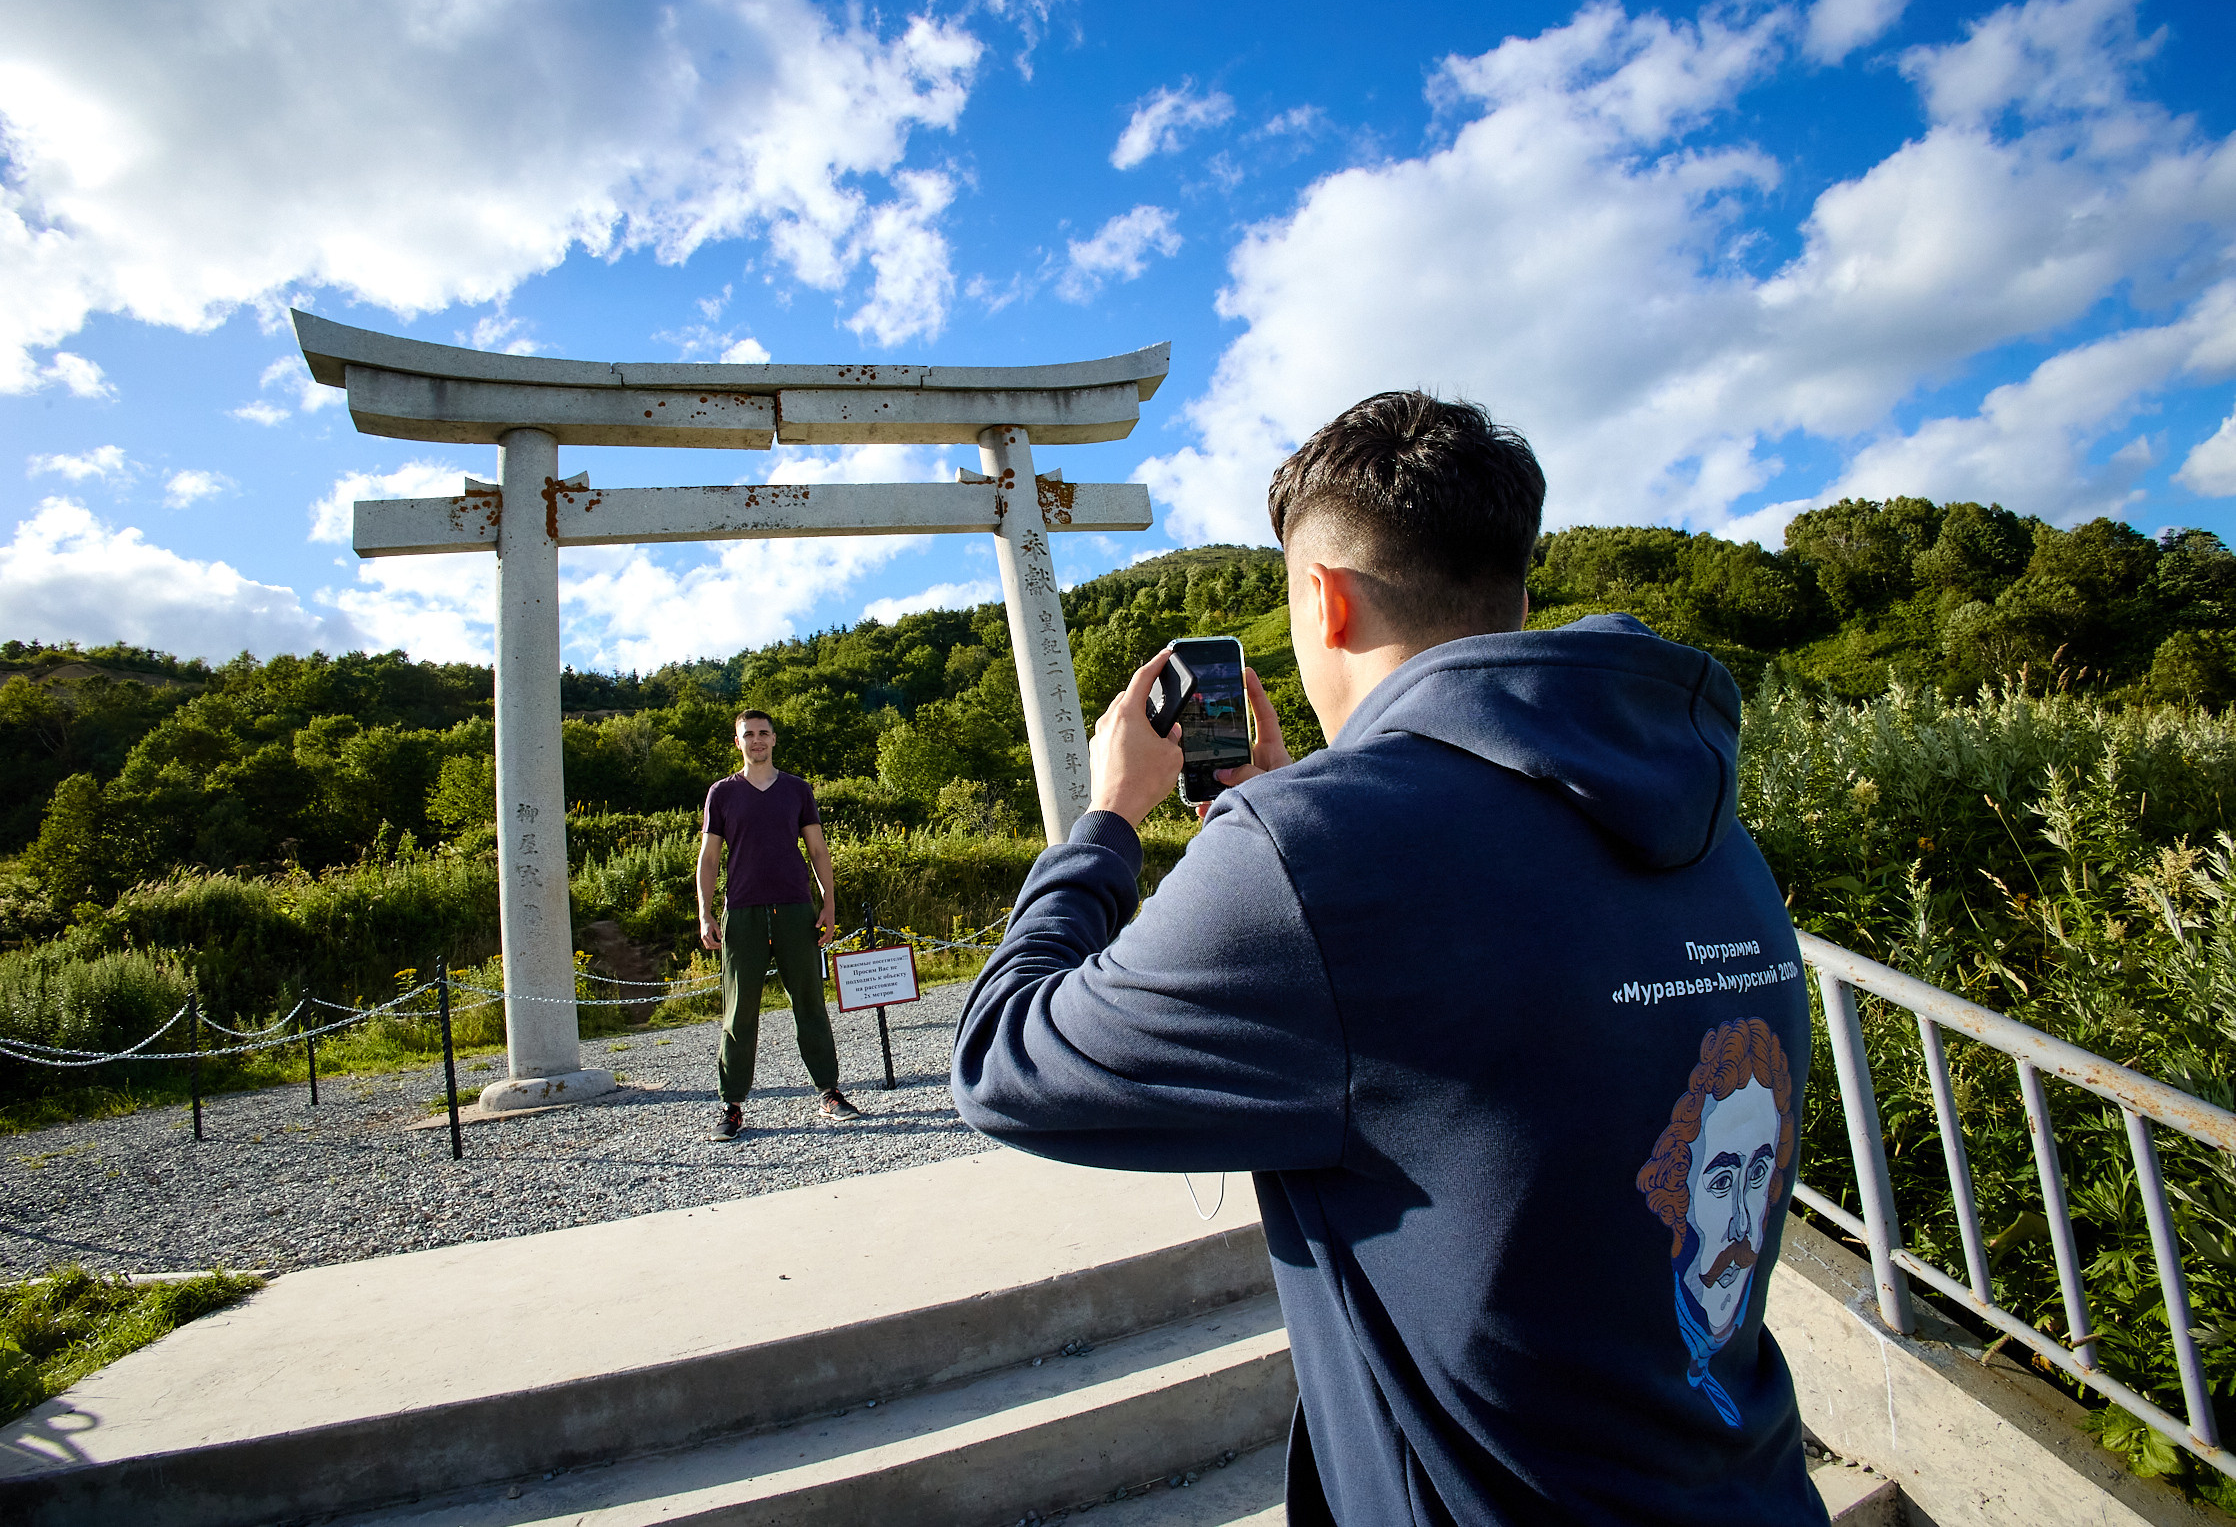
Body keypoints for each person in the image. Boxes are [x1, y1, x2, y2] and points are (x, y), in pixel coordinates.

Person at [950, 392, 1826, 1525]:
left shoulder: (1310, 850)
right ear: (1511, 581)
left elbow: (1004, 1058)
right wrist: (1289, 834)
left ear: (1323, 597)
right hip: (1750, 1488)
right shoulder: (1701, 808)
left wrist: (1107, 821)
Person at [697, 708, 861, 1142]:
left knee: (809, 1002)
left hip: (794, 909)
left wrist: (828, 903)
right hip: (743, 911)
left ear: (774, 739)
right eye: (748, 734)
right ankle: (731, 1106)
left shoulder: (796, 790)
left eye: (763, 733)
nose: (756, 741)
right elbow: (710, 858)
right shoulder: (722, 793)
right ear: (738, 742)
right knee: (739, 1010)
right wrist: (705, 911)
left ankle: (830, 1092)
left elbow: (819, 851)